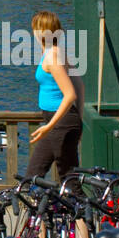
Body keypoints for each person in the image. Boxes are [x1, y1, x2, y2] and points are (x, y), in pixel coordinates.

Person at [26, 10, 83, 188]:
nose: (33, 33)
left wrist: (50, 127)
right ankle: (46, 212)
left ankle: (82, 215)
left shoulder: (52, 57)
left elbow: (71, 94)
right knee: (35, 176)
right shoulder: (59, 52)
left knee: (68, 181)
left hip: (58, 123)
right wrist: (78, 121)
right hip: (63, 121)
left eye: (35, 29)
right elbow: (81, 87)